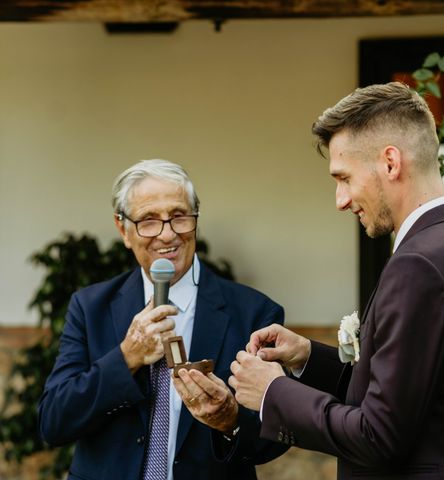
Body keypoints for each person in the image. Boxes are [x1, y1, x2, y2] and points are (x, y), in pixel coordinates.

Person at [227, 82, 444, 479]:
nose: (341, 199)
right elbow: (408, 394)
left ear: (390, 163)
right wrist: (309, 357)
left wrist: (273, 393)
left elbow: (378, 435)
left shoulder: (419, 265)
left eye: (344, 178)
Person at [38, 159, 287, 480]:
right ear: (122, 229)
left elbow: (276, 436)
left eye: (179, 217)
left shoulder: (255, 312)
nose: (167, 235)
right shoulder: (89, 307)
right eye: (148, 220)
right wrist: (127, 357)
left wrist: (230, 419)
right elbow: (54, 423)